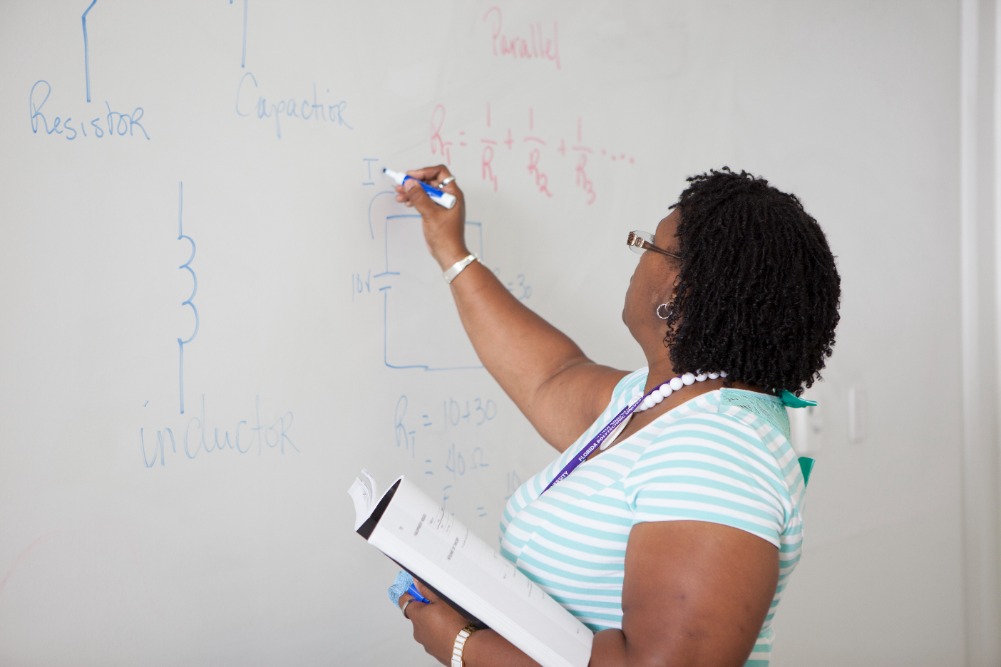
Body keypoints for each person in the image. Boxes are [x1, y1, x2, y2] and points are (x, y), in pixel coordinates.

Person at [391, 165, 841, 667]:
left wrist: (463, 647)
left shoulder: (720, 451)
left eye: (650, 244)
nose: (639, 256)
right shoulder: (656, 399)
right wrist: (451, 250)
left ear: (678, 292)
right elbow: (551, 376)